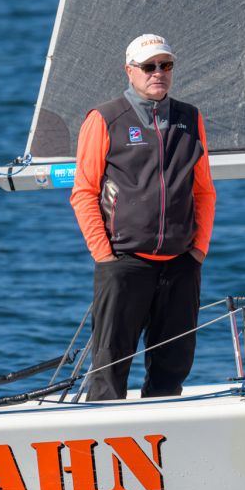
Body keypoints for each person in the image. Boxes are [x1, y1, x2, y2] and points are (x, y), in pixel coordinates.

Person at [69, 34, 216, 401]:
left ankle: (165, 431)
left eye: (166, 65)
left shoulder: (190, 117)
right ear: (130, 70)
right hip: (124, 262)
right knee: (109, 369)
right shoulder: (104, 118)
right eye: (149, 66)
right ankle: (102, 429)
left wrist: (197, 251)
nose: (158, 73)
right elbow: (83, 192)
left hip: (180, 264)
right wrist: (105, 256)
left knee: (173, 367)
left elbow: (204, 191)